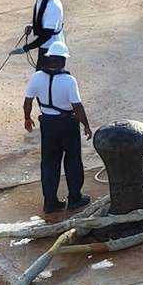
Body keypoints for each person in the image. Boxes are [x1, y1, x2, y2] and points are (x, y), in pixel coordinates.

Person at [24, 40, 91, 213]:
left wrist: (27, 118)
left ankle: (50, 202)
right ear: (63, 61)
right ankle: (75, 198)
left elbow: (28, 101)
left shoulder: (37, 77)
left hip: (48, 124)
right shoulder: (69, 80)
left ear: (48, 59)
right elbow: (77, 107)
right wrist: (86, 125)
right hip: (67, 124)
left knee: (49, 163)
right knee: (73, 160)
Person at [12, 0, 65, 69]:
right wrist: (33, 25)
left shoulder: (53, 5)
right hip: (45, 46)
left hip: (53, 49)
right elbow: (44, 18)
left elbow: (47, 35)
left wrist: (26, 48)